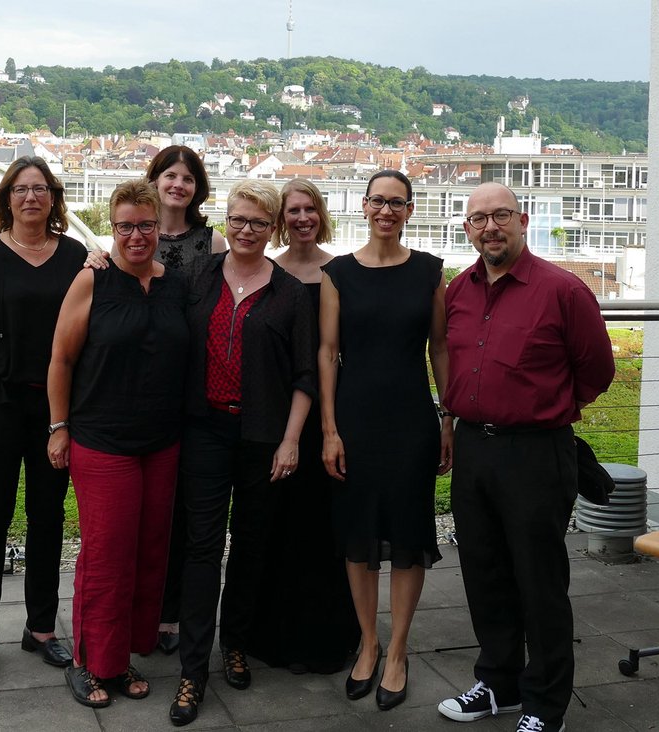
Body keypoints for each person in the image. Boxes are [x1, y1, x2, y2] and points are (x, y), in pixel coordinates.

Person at [436, 182, 615, 732]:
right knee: (484, 574)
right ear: (466, 228)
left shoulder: (563, 290)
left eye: (501, 216)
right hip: (473, 448)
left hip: (536, 452)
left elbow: (597, 372)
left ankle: (545, 705)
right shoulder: (457, 291)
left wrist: (546, 405)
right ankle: (500, 682)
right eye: (478, 219)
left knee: (539, 583)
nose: (490, 227)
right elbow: (446, 356)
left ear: (523, 219)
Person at [169, 179, 316, 727]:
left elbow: (305, 376)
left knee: (252, 546)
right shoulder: (198, 277)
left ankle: (235, 641)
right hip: (204, 430)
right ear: (224, 223)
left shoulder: (290, 293)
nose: (246, 230)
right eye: (237, 220)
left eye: (257, 222)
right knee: (202, 549)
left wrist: (290, 440)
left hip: (262, 438)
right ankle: (192, 670)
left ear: (273, 227)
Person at [47, 179, 190, 707]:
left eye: (146, 225)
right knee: (106, 556)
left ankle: (122, 655)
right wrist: (58, 427)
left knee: (150, 554)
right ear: (112, 228)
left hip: (162, 442)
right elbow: (61, 359)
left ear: (159, 227)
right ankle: (90, 663)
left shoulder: (174, 285)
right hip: (103, 441)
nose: (136, 235)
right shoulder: (93, 280)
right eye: (126, 226)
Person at [319, 169, 453, 712]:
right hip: (353, 420)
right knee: (358, 536)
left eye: (397, 203)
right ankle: (368, 645)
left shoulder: (429, 272)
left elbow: (440, 348)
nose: (386, 211)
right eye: (378, 201)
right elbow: (327, 353)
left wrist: (449, 419)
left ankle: (398, 651)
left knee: (406, 534)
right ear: (364, 206)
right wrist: (328, 429)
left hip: (412, 421)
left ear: (410, 209)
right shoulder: (338, 274)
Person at [84, 145, 224, 655]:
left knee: (177, 515)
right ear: (155, 181)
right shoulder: (130, 234)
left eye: (188, 177)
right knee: (127, 529)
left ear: (197, 186)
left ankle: (167, 614)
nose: (179, 185)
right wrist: (95, 255)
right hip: (126, 399)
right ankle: (123, 630)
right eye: (170, 174)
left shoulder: (214, 241)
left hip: (188, 385)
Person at [0, 156, 86, 684]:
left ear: (53, 198)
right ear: (7, 199)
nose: (31, 197)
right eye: (21, 189)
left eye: (41, 189)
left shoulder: (75, 255)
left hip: (54, 409)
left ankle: (41, 628)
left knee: (48, 518)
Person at [247, 179, 361, 674]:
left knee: (325, 525)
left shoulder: (339, 271)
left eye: (309, 209)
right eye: (292, 210)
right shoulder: (266, 272)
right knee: (278, 524)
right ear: (280, 219)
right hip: (278, 412)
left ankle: (327, 634)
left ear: (321, 215)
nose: (301, 218)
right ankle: (272, 632)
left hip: (328, 415)